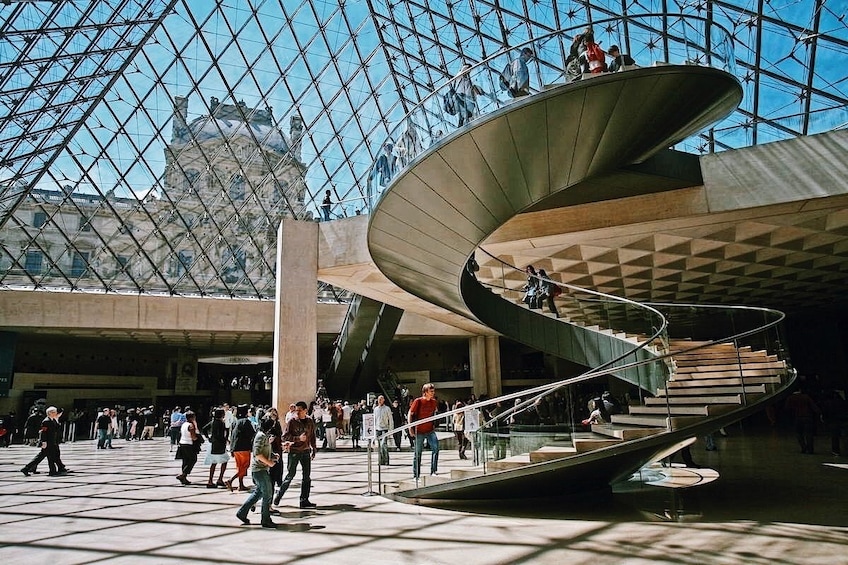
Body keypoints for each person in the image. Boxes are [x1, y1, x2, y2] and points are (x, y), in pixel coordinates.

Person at [236, 417, 281, 528]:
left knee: (258, 493)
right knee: (267, 494)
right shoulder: (261, 436)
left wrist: (272, 456)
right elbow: (258, 454)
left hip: (261, 469)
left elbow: (263, 451)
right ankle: (265, 520)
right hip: (260, 470)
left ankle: (242, 513)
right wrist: (270, 463)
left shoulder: (263, 436)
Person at [274, 401, 318, 509]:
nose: (297, 412)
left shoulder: (309, 421)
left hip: (306, 451)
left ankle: (304, 500)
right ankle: (278, 496)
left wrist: (314, 448)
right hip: (294, 452)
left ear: (305, 411)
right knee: (290, 475)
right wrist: (298, 439)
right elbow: (285, 437)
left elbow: (312, 435)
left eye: (299, 410)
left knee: (306, 477)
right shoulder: (292, 421)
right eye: (296, 410)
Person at [21, 406, 68, 477]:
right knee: (42, 457)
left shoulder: (52, 420)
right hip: (48, 442)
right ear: (49, 413)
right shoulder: (46, 421)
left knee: (46, 457)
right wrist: (44, 441)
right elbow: (43, 432)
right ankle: (27, 468)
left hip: (52, 442)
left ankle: (51, 470)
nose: (55, 413)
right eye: (54, 412)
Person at [408, 383, 440, 479]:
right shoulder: (418, 401)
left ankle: (433, 470)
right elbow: (410, 413)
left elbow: (434, 414)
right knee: (418, 453)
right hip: (419, 431)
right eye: (431, 391)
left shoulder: (434, 402)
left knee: (436, 448)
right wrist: (410, 427)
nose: (433, 393)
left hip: (430, 430)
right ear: (425, 392)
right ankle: (416, 475)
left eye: (433, 391)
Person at [225, 404, 255, 492]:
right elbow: (252, 434)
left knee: (240, 467)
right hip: (244, 447)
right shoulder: (246, 421)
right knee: (245, 466)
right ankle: (231, 480)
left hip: (235, 448)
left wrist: (231, 449)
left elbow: (232, 435)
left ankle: (241, 485)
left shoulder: (235, 422)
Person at [784, 385, 822, 454]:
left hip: (797, 417)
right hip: (807, 417)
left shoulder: (790, 398)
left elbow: (787, 408)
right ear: (800, 390)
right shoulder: (806, 397)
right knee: (809, 434)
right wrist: (820, 413)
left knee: (799, 434)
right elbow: (814, 407)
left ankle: (803, 448)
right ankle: (810, 449)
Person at [204, 408, 229, 488]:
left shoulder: (212, 422)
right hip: (220, 445)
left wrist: (208, 437)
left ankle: (210, 480)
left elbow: (204, 429)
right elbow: (220, 434)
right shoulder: (221, 423)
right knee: (225, 461)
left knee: (213, 463)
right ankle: (220, 479)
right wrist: (225, 440)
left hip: (213, 444)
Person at [175, 410, 199, 485]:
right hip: (189, 444)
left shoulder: (184, 424)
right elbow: (193, 437)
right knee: (193, 459)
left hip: (182, 443)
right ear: (192, 418)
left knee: (185, 461)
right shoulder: (191, 425)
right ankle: (183, 474)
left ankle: (184, 478)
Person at [373, 395, 393, 465]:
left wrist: (391, 429)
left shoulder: (387, 408)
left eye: (381, 399)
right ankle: (380, 460)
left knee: (383, 445)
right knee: (379, 445)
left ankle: (386, 460)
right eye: (379, 399)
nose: (380, 401)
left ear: (384, 400)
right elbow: (374, 419)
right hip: (378, 429)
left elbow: (390, 419)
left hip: (385, 428)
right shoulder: (375, 409)